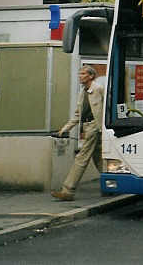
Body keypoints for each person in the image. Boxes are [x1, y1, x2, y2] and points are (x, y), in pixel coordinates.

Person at [51, 65, 104, 201]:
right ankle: (112, 183)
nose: (80, 76)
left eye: (83, 74)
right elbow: (78, 114)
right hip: (88, 126)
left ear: (91, 76)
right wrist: (65, 129)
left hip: (94, 127)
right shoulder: (83, 92)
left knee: (82, 157)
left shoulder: (98, 89)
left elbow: (106, 108)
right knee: (98, 158)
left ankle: (68, 190)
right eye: (80, 73)